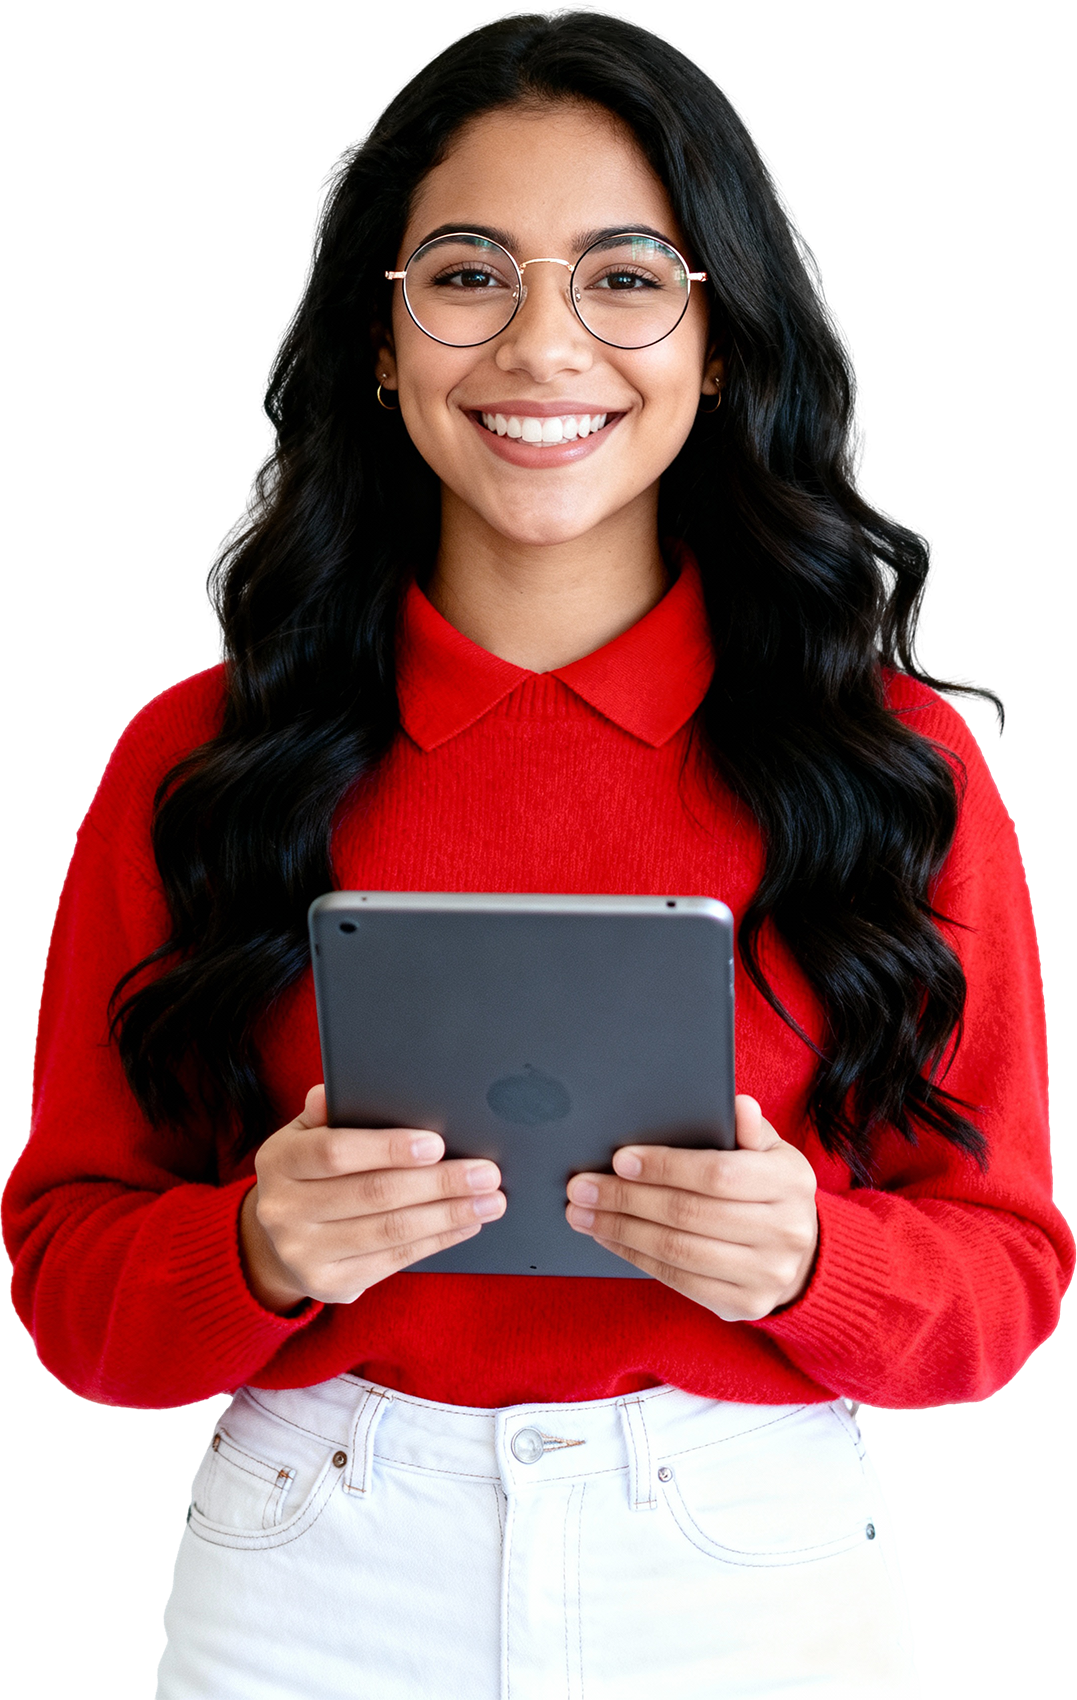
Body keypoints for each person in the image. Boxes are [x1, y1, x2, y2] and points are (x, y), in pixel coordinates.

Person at [5, 6, 1072, 1697]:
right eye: (468, 274)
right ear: (383, 336)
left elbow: (1021, 1292)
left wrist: (820, 1262)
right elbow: (65, 1279)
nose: (543, 344)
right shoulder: (196, 761)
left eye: (628, 276)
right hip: (314, 1561)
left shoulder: (903, 766)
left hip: (745, 1570)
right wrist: (253, 1252)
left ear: (720, 346)